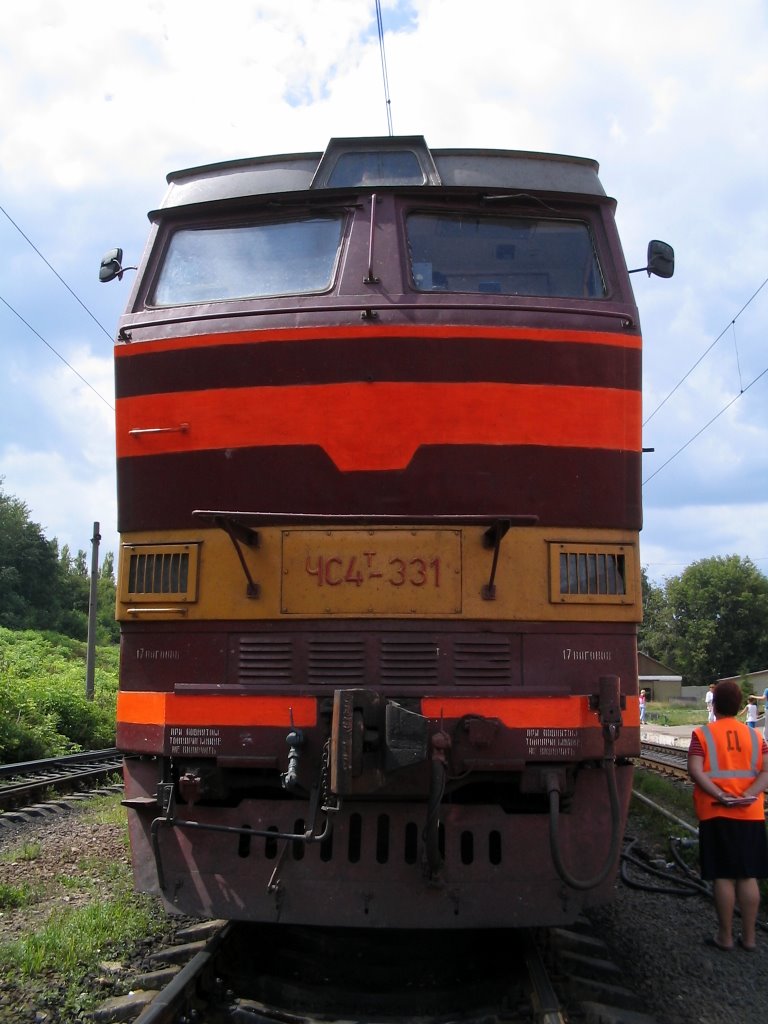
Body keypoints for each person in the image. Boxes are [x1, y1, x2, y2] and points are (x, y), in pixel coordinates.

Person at [688, 680, 768, 952]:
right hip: (751, 814)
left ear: (714, 705)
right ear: (738, 705)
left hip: (716, 812)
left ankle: (725, 937)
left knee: (723, 875)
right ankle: (750, 938)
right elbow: (766, 771)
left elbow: (695, 770)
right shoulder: (756, 737)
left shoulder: (702, 734)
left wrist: (721, 795)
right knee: (748, 875)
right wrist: (748, 795)